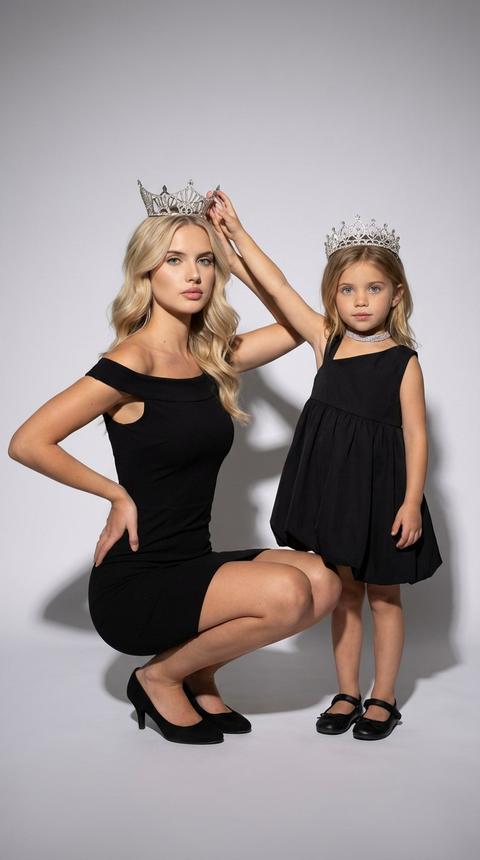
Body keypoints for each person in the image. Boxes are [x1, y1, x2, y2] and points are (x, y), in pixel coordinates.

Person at [8, 180, 341, 746]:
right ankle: (158, 676)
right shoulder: (128, 363)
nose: (194, 275)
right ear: (146, 273)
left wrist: (239, 247)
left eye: (205, 262)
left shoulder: (211, 358)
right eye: (175, 260)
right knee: (287, 592)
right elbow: (27, 441)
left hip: (192, 562)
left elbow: (306, 326)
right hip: (137, 582)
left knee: (323, 581)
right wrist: (116, 495)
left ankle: (198, 671)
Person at [207, 194, 442, 741]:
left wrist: (410, 502)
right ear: (333, 297)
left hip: (384, 496)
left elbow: (417, 434)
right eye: (348, 289)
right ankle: (347, 691)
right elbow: (278, 285)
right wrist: (235, 231)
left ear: (396, 294)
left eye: (374, 288)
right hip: (337, 493)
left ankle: (383, 695)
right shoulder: (326, 341)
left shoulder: (405, 361)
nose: (361, 301)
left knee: (383, 595)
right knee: (344, 594)